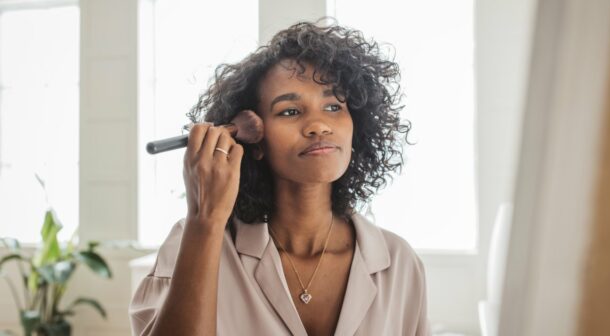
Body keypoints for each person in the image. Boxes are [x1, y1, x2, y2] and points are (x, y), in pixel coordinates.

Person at [129, 19, 430, 336]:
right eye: (290, 111)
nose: (318, 126)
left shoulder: (399, 264)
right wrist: (204, 218)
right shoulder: (192, 243)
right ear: (254, 140)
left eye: (332, 106)